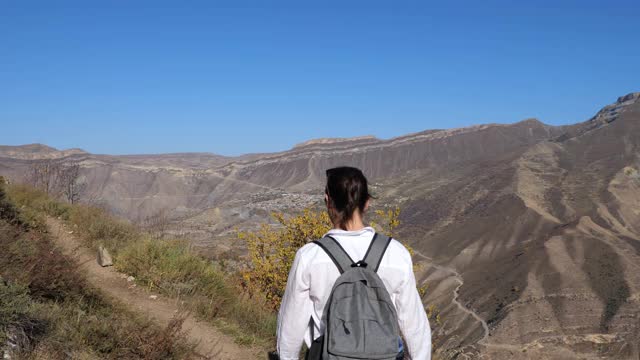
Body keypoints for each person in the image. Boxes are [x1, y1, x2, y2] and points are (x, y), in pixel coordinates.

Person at [276, 166, 432, 359]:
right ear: (367, 203)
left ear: (328, 201)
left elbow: (290, 328)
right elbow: (414, 325)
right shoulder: (396, 253)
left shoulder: (310, 256)